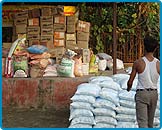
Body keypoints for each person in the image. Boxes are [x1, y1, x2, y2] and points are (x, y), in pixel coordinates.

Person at [127, 35, 160, 128]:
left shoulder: (138, 63)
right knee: (150, 123)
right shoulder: (158, 64)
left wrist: (128, 88)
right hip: (154, 94)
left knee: (142, 123)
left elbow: (130, 81)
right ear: (155, 49)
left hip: (142, 94)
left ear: (144, 47)